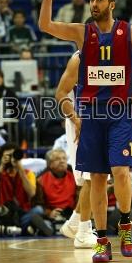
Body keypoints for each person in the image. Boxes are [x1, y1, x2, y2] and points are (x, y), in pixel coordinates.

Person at [39, 0, 132, 263]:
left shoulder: (129, 32)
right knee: (96, 178)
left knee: (121, 170)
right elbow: (45, 26)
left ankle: (126, 227)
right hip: (92, 115)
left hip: (120, 113)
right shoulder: (83, 33)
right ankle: (102, 241)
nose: (93, 4)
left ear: (111, 4)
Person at [55, 52, 99, 248]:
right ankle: (83, 232)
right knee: (92, 175)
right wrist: (76, 119)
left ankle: (74, 224)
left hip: (101, 116)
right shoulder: (79, 58)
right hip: (81, 118)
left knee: (97, 176)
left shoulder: (113, 52)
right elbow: (61, 93)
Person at [33, 149, 77, 235]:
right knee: (35, 213)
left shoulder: (76, 177)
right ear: (50, 164)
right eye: (57, 159)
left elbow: (80, 199)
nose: (62, 161)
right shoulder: (40, 180)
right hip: (51, 214)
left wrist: (76, 213)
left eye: (64, 158)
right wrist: (49, 213)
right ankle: (49, 229)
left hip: (72, 213)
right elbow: (38, 203)